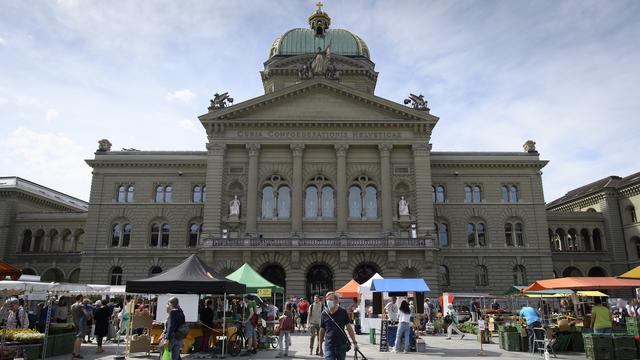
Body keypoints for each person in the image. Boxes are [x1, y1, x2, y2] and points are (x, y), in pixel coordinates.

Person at [319, 291, 359, 360]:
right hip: (329, 345)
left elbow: (349, 328)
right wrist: (320, 347)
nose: (328, 301)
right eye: (327, 299)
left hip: (341, 345)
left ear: (336, 301)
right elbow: (322, 330)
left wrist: (355, 342)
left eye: (331, 299)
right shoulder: (324, 314)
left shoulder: (343, 312)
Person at [71, 294, 87, 359]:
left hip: (75, 322)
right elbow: (86, 314)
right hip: (81, 322)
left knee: (77, 337)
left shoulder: (72, 305)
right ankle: (77, 353)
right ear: (80, 298)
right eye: (82, 298)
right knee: (79, 338)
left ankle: (74, 351)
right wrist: (88, 315)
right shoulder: (81, 305)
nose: (83, 299)